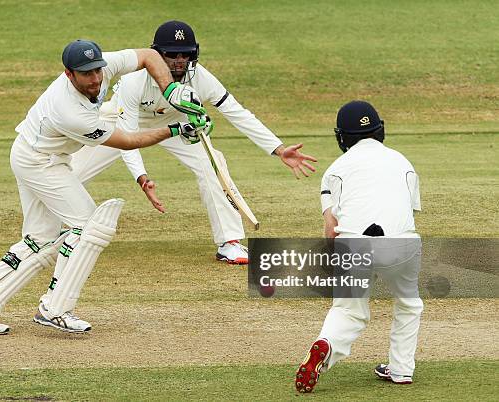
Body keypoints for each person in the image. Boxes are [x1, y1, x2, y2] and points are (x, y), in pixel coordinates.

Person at [0, 39, 209, 335]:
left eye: (97, 71)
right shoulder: (69, 112)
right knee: (89, 226)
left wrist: (171, 91)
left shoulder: (105, 66)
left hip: (39, 153)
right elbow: (127, 141)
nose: (96, 79)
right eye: (86, 74)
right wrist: (177, 129)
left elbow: (150, 56)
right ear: (69, 74)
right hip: (39, 161)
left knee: (40, 238)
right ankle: (55, 307)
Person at [70, 21, 317, 265]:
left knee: (213, 164)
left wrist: (278, 149)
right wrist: (142, 177)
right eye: (171, 54)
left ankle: (229, 242)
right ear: (156, 54)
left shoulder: (200, 76)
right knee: (71, 173)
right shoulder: (135, 80)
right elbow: (128, 134)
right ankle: (61, 231)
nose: (179, 61)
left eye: (185, 54)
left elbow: (236, 112)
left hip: (178, 125)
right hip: (120, 121)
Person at [294, 101, 423, 392]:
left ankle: (325, 344)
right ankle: (401, 370)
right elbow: (409, 210)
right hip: (401, 244)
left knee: (349, 310)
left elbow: (331, 229)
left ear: (342, 137)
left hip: (353, 243)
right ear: (380, 131)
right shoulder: (403, 161)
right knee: (409, 303)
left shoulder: (335, 169)